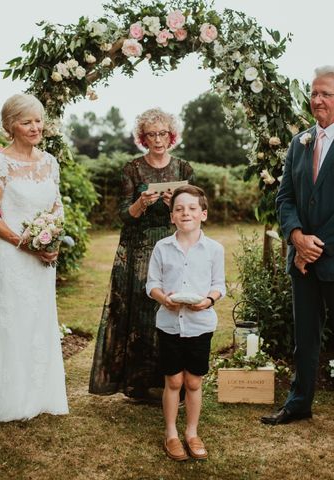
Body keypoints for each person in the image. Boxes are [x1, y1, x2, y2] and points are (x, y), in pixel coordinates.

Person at [261, 66, 334, 448]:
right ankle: (299, 404)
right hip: (303, 261)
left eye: (325, 94)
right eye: (313, 93)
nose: (316, 100)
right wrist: (296, 237)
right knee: (305, 340)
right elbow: (285, 198)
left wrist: (316, 245)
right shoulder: (299, 142)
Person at [0, 93, 68, 421]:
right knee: (16, 318)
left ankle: (40, 394)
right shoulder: (0, 162)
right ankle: (9, 396)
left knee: (41, 317)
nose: (36, 127)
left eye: (38, 120)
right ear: (11, 126)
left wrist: (52, 237)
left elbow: (57, 205)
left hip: (43, 256)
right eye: (27, 122)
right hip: (14, 254)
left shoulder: (50, 161)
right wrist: (25, 244)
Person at [89, 108, 195, 401]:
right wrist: (141, 203)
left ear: (170, 135)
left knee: (173, 307)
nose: (158, 139)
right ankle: (137, 383)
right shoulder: (132, 169)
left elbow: (192, 212)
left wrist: (174, 204)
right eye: (151, 134)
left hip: (174, 245)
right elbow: (123, 214)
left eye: (162, 133)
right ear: (143, 138)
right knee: (141, 311)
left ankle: (172, 381)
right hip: (139, 249)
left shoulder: (184, 169)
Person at [146, 185, 226, 461]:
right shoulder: (162, 247)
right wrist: (163, 298)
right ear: (172, 217)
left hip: (200, 325)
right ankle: (171, 434)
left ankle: (192, 432)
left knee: (193, 381)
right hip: (169, 324)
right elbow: (152, 284)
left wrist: (208, 301)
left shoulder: (214, 249)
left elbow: (219, 285)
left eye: (192, 208)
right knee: (174, 379)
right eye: (179, 209)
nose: (185, 213)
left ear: (203, 214)